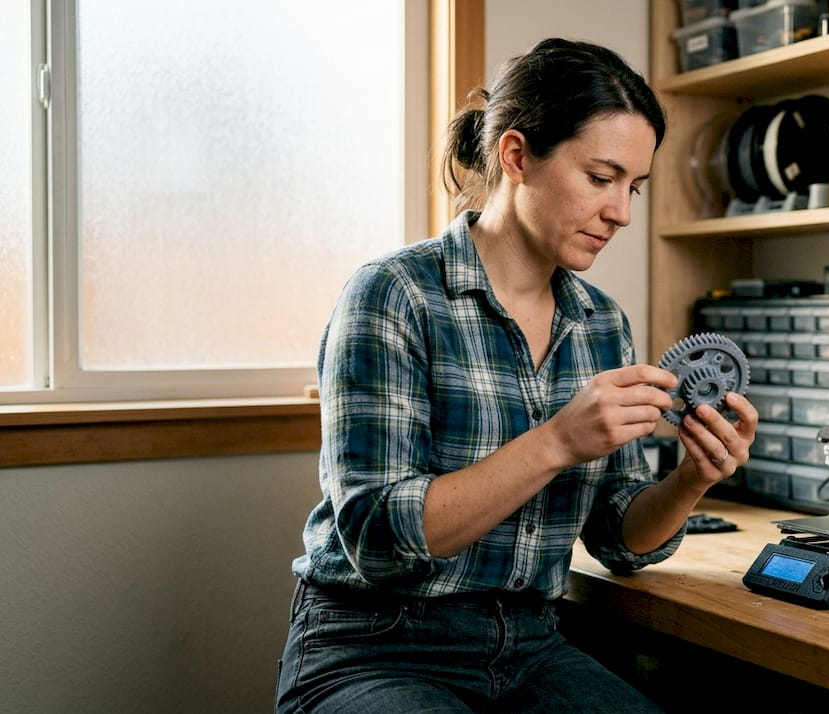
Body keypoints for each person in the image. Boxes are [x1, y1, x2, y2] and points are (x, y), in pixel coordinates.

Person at [275, 37, 758, 713]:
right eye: (601, 178)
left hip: (529, 646)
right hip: (375, 647)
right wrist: (557, 441)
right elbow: (379, 541)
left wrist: (692, 479)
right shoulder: (393, 295)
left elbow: (618, 538)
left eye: (634, 187)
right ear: (516, 156)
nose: (621, 212)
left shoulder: (601, 324)